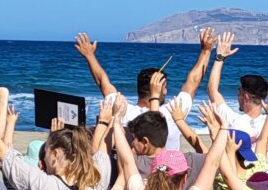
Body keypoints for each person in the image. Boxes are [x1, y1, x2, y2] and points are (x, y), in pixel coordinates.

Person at [74, 29, 212, 150]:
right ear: (159, 89)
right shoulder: (171, 113)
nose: (166, 91)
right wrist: (206, 51)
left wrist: (89, 56)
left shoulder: (123, 110)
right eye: (165, 87)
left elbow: (102, 82)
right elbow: (193, 82)